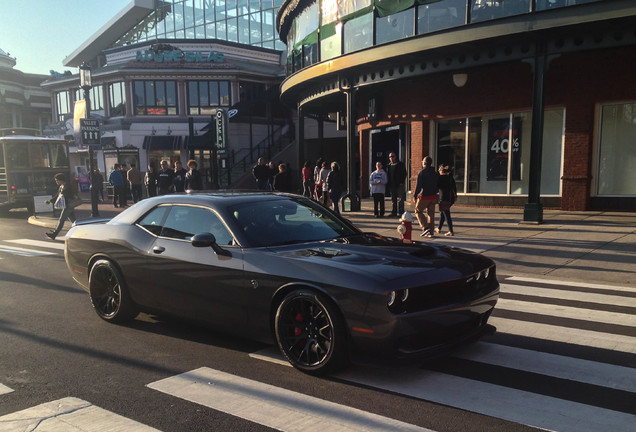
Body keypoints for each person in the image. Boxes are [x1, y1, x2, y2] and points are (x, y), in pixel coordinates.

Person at [412, 156, 439, 238]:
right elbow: (438, 185)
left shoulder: (422, 173)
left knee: (418, 211)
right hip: (433, 196)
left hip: (425, 196)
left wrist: (415, 195)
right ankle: (431, 232)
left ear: (424, 163)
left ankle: (425, 227)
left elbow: (418, 186)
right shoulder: (435, 173)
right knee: (431, 214)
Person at [45, 173, 77, 240]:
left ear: (61, 180)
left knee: (61, 220)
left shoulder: (67, 186)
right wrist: (50, 201)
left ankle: (54, 234)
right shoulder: (62, 186)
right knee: (74, 221)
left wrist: (62, 194)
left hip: (69, 205)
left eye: (57, 180)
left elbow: (66, 195)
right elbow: (57, 196)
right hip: (67, 206)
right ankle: (80, 230)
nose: (56, 182)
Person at [437, 164, 457, 236]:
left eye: (439, 170)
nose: (438, 171)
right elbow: (454, 188)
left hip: (444, 198)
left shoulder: (441, 178)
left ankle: (450, 231)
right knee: (443, 213)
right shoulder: (450, 178)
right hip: (450, 198)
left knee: (446, 214)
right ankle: (439, 228)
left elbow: (437, 186)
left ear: (441, 171)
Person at [387, 152, 407, 217]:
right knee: (393, 199)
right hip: (392, 185)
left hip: (399, 185)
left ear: (395, 157)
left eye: (392, 156)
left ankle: (401, 212)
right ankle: (394, 212)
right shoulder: (389, 165)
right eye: (390, 157)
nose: (391, 158)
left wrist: (401, 182)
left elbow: (404, 173)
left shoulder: (400, 164)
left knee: (401, 199)